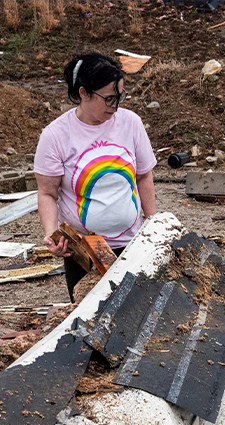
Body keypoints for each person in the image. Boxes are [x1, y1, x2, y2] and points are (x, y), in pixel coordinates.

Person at [34, 53, 158, 301]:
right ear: (83, 93)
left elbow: (144, 176)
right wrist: (51, 233)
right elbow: (47, 192)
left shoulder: (131, 123)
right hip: (84, 251)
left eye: (120, 97)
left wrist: (153, 225)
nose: (115, 107)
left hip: (132, 245)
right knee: (88, 321)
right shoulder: (56, 135)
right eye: (109, 99)